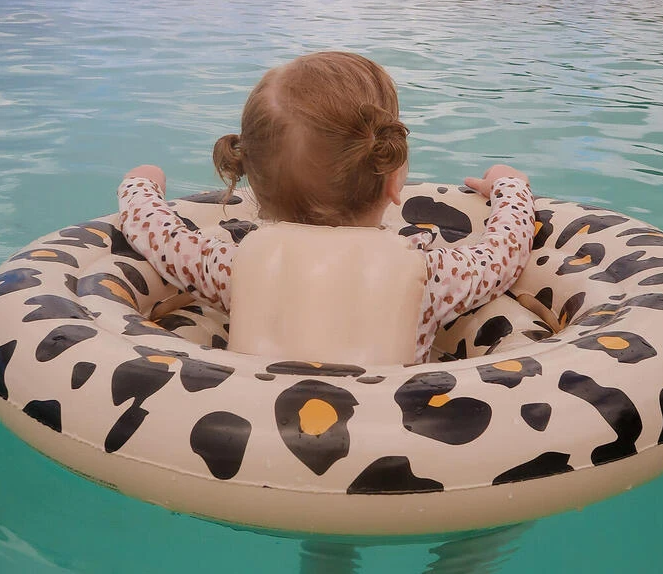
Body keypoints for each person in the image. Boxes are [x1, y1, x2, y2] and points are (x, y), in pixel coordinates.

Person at [118, 50, 535, 367]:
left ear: (253, 188)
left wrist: (143, 181)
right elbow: (505, 251)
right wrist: (509, 187)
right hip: (390, 441)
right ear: (393, 181)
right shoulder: (433, 275)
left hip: (251, 442)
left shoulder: (230, 266)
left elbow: (153, 231)